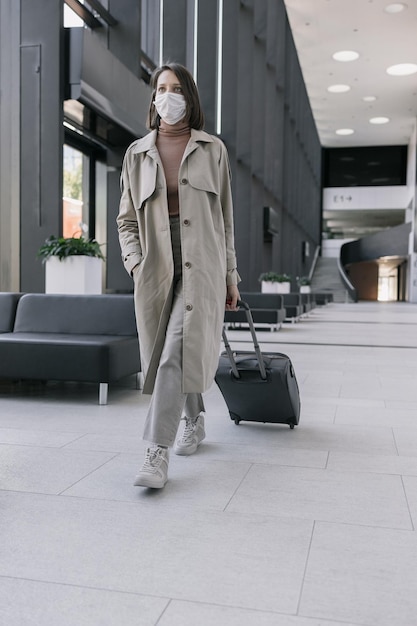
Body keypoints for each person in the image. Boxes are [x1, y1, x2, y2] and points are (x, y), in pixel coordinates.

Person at [117, 62, 240, 489]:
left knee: (173, 350)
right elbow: (126, 221)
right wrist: (135, 263)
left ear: (190, 95)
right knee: (169, 348)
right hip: (154, 264)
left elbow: (224, 219)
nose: (168, 95)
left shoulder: (213, 149)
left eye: (176, 88)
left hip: (201, 261)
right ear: (153, 97)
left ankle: (156, 452)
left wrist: (230, 274)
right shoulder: (136, 154)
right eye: (161, 88)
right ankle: (195, 418)